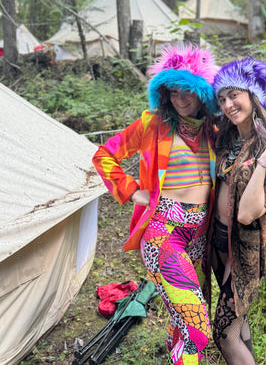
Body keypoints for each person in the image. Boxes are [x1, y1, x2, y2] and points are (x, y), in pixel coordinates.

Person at [92, 44, 219, 365]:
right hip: (163, 233)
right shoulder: (153, 124)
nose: (180, 99)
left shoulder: (214, 129)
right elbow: (105, 155)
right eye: (173, 91)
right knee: (197, 325)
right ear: (164, 93)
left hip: (200, 235)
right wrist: (133, 191)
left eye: (187, 91)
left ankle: (173, 355)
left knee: (181, 313)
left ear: (202, 92)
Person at [208, 58, 266, 365]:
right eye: (222, 98)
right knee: (238, 321)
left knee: (223, 332)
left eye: (235, 95)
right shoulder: (227, 136)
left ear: (252, 95)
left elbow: (247, 213)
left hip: (245, 249)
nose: (229, 104)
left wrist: (262, 162)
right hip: (217, 239)